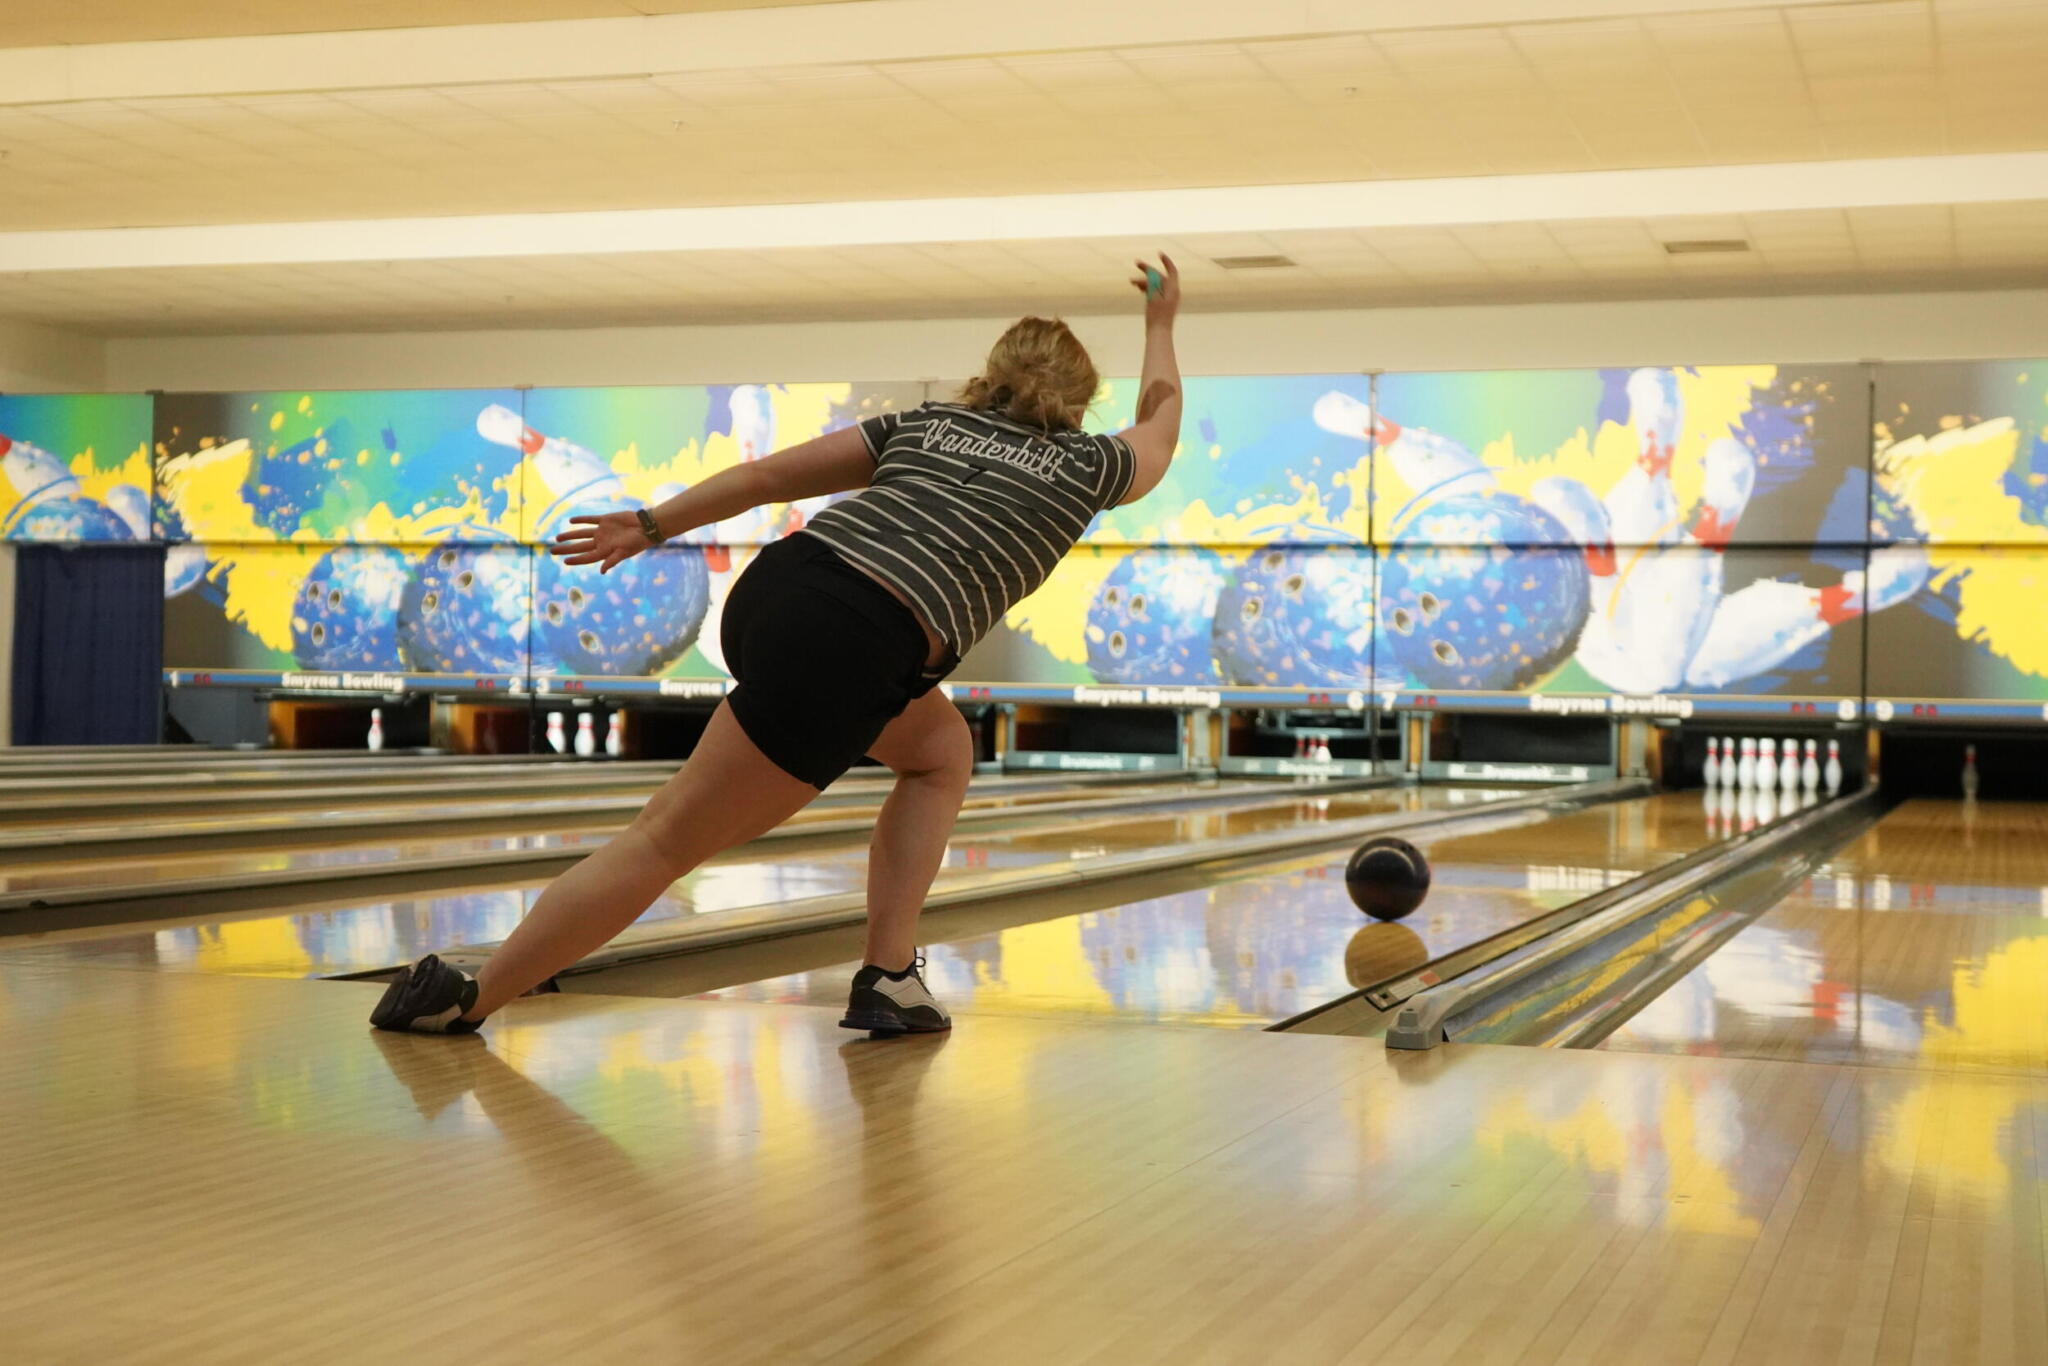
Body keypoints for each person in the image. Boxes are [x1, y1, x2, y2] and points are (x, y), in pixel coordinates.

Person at [371, 256, 1184, 1037]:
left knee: (939, 750)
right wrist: (1161, 320)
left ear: (992, 375)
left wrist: (651, 524)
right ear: (1080, 402)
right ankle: (472, 998)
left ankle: (891, 975)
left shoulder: (932, 424)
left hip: (781, 591)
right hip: (856, 638)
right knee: (667, 838)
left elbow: (765, 480)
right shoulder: (1091, 464)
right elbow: (1162, 422)